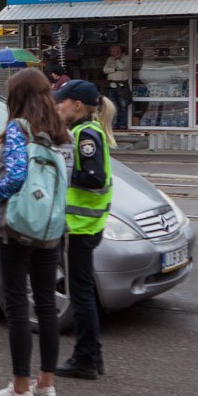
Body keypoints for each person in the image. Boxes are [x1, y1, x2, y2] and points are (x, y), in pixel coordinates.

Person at [0, 68, 71, 396]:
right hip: (51, 229)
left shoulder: (18, 129)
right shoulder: (63, 134)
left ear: (16, 97)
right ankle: (46, 386)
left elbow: (16, 173)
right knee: (47, 305)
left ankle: (20, 389)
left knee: (19, 305)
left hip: (17, 228)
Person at [54, 80, 116, 380]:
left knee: (80, 295)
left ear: (77, 105)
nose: (57, 107)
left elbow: (94, 178)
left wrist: (60, 172)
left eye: (61, 102)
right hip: (86, 225)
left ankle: (86, 359)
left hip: (82, 226)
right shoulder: (83, 132)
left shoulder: (85, 134)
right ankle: (94, 355)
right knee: (82, 292)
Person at [102, 45, 131, 129]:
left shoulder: (126, 58)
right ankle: (114, 124)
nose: (112, 53)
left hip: (121, 85)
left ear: (119, 51)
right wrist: (115, 69)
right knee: (113, 106)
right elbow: (105, 70)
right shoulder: (109, 58)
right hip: (111, 85)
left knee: (123, 105)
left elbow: (123, 67)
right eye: (111, 51)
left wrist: (117, 60)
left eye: (114, 51)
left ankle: (122, 125)